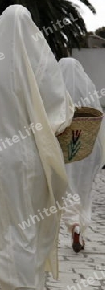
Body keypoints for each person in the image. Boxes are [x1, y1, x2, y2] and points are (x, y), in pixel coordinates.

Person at [0, 4, 74, 290]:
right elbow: (56, 106)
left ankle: (19, 289)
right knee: (31, 229)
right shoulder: (34, 59)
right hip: (29, 159)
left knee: (6, 231)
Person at [59, 57, 105, 253]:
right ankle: (79, 227)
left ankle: (71, 222)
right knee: (83, 189)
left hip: (63, 148)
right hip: (85, 149)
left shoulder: (56, 91)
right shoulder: (88, 90)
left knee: (65, 188)